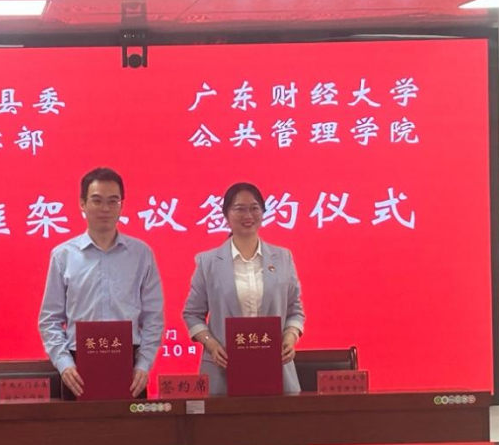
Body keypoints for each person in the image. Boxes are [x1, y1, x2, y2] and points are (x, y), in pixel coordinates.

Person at [39, 167, 163, 398]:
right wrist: (65, 364)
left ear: (121, 205)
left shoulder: (141, 254)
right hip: (77, 366)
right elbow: (50, 319)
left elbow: (153, 318)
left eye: (113, 201)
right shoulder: (63, 255)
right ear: (82, 204)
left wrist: (143, 365)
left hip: (129, 367)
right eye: (96, 201)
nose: (105, 209)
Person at [183, 182, 305, 395]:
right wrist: (211, 345)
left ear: (263, 212)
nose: (248, 215)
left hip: (275, 367)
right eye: (239, 209)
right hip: (223, 369)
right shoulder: (208, 262)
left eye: (254, 208)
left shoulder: (283, 257)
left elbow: (295, 310)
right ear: (226, 214)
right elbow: (192, 314)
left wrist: (290, 337)